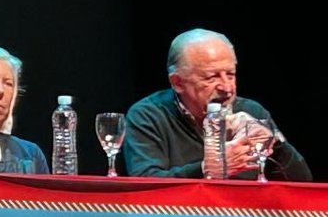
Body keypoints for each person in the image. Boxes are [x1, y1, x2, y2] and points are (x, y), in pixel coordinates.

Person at [123, 28, 311, 180]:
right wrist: (207, 169)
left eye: (230, 74)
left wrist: (275, 142)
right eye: (211, 77)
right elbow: (146, 183)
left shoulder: (251, 111)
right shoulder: (147, 115)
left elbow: (302, 181)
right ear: (178, 82)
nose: (227, 88)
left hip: (244, 215)